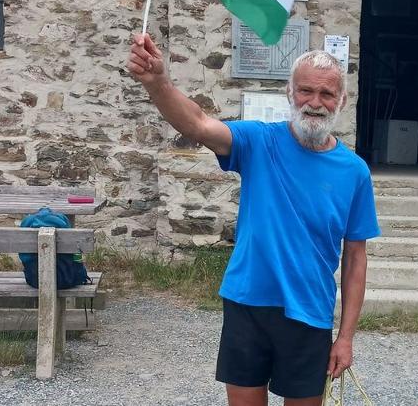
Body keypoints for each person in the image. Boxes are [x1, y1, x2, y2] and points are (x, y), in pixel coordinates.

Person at [127, 33, 380, 406]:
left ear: (341, 101)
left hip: (310, 311)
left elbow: (356, 258)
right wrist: (158, 82)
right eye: (306, 91)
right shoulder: (259, 142)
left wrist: (345, 338)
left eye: (327, 94)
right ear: (290, 93)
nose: (315, 103)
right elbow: (197, 124)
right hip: (248, 303)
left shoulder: (355, 172)